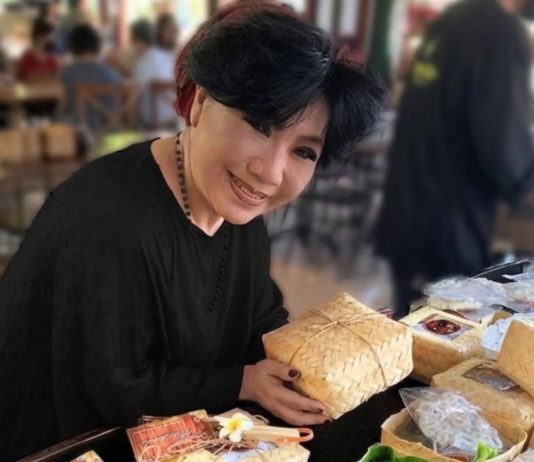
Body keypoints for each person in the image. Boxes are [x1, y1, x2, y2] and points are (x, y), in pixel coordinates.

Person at [0, 2, 385, 459]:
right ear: (201, 102)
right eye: (259, 125)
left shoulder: (236, 208)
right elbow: (115, 392)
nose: (270, 172)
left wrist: (306, 360)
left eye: (303, 152)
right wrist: (243, 381)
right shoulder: (109, 225)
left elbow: (258, 317)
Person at [375, 0, 534, 317]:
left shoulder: (450, 22)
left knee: (413, 322)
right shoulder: (498, 32)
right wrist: (524, 182)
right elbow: (503, 144)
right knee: (445, 328)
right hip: (449, 226)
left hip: (408, 208)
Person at [60, 23, 122, 129]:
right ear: (97, 46)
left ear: (73, 47)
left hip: (82, 135)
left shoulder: (67, 73)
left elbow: (64, 108)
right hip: (113, 133)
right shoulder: (113, 74)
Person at [131, 18, 176, 128]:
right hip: (171, 118)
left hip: (152, 122)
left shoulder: (144, 61)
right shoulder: (166, 58)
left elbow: (133, 93)